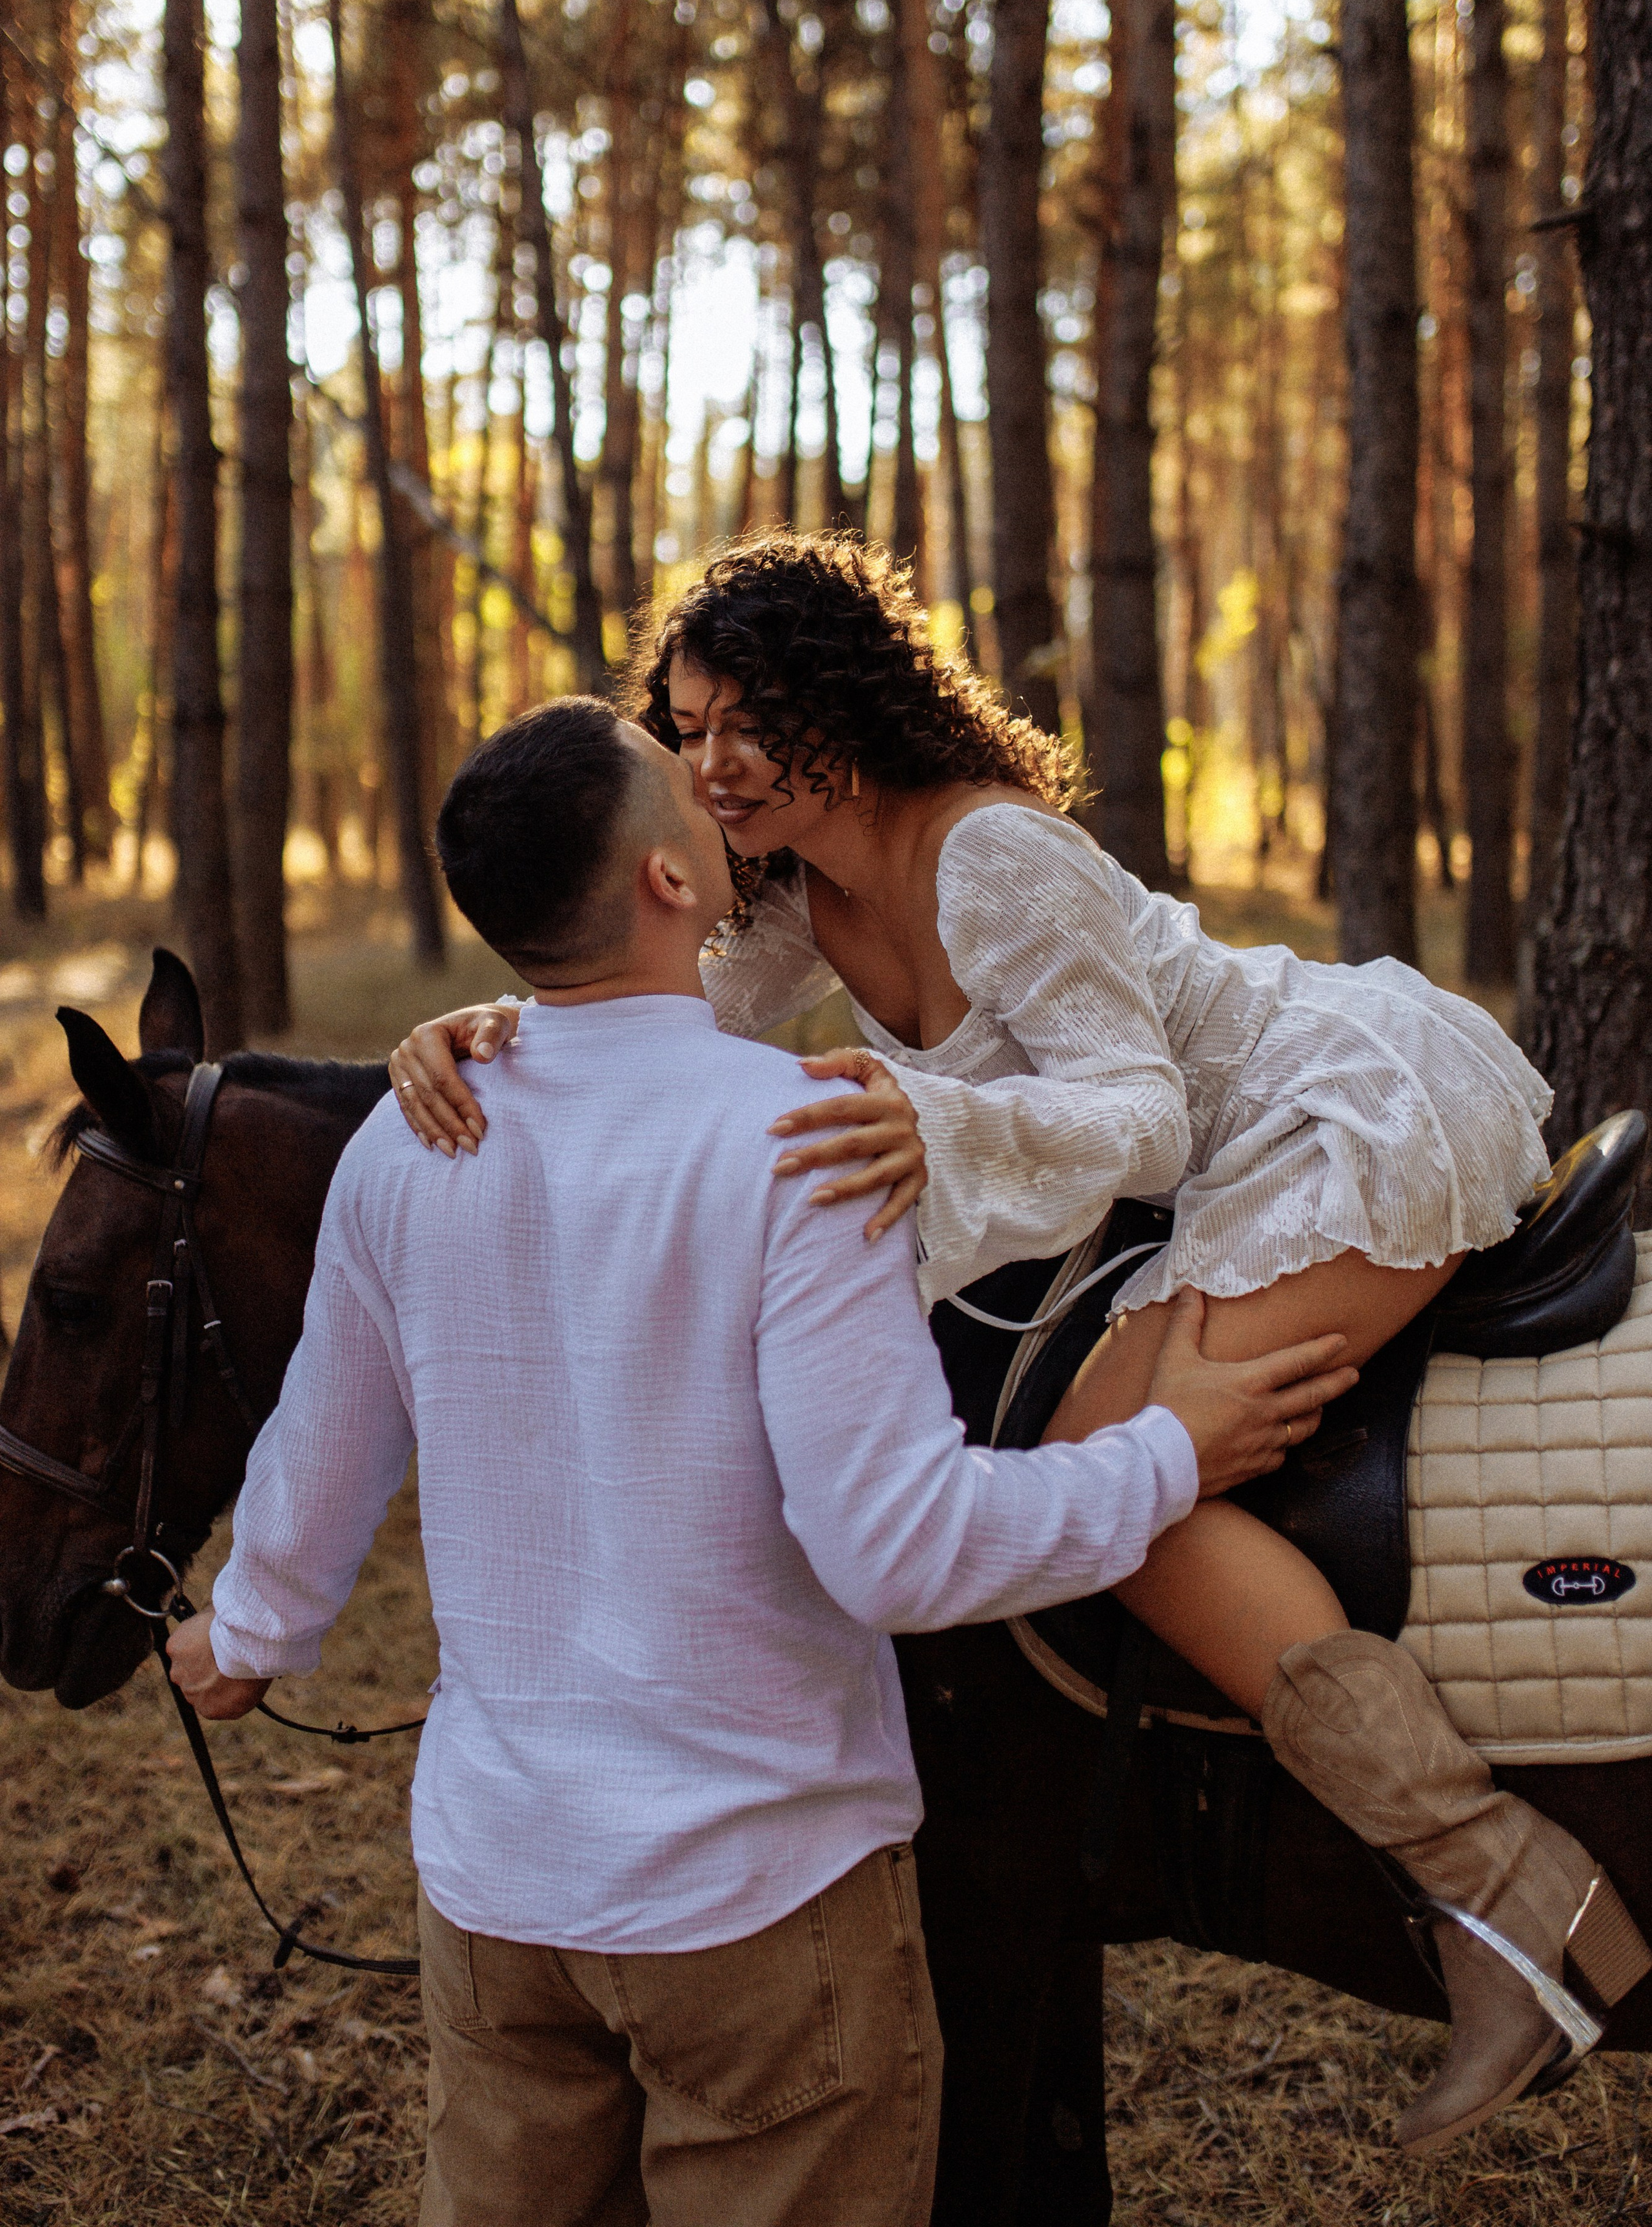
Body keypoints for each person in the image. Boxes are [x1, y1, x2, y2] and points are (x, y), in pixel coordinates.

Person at [394, 532, 1649, 2157]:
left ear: (839, 699)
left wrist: (921, 1115)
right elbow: (657, 1016)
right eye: (687, 731)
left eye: (741, 721)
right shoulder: (781, 884)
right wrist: (482, 1036)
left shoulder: (989, 853)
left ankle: (1511, 1895)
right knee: (1113, 1486)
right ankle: (1500, 1897)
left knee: (1132, 1491)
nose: (709, 765)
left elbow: (1133, 1118)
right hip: (1208, 1164)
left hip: (1324, 1116)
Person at [166, 696, 1352, 2227]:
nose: (716, 793)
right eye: (681, 783)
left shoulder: (410, 1138)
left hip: (497, 1896)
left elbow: (324, 1438)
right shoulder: (812, 1138)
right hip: (757, 1909)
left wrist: (252, 1632)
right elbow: (897, 1553)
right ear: (669, 880)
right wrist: (1163, 1456)